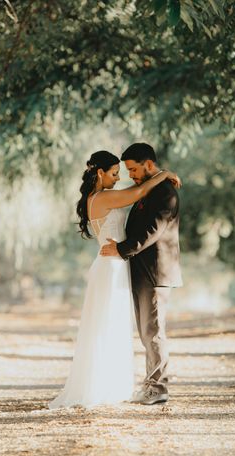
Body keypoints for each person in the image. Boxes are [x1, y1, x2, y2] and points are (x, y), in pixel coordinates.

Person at [48, 150, 180, 409]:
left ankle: (119, 384)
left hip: (115, 264)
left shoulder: (98, 196)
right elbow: (138, 193)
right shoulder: (104, 197)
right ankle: (107, 385)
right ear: (100, 173)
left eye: (125, 172)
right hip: (112, 265)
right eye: (115, 173)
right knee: (109, 325)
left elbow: (138, 193)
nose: (121, 178)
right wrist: (164, 174)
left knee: (116, 326)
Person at [100, 143, 182, 405]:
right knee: (147, 331)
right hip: (140, 271)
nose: (131, 175)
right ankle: (151, 384)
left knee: (153, 331)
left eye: (134, 169)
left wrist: (120, 250)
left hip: (155, 273)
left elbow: (153, 231)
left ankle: (158, 388)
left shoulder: (166, 193)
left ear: (148, 164)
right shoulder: (151, 189)